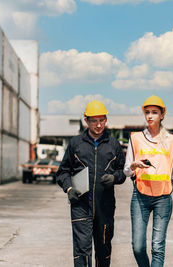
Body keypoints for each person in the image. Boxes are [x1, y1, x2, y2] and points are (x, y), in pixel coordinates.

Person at [56, 100, 126, 267]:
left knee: (103, 249)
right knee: (82, 250)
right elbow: (63, 171)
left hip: (105, 206)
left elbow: (123, 171)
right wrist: (69, 188)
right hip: (81, 204)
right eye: (94, 120)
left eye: (102, 120)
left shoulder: (113, 144)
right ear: (86, 120)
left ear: (106, 120)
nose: (98, 124)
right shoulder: (75, 144)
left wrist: (114, 178)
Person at [123, 95, 173, 267]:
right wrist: (132, 166)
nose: (150, 116)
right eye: (147, 112)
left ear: (162, 115)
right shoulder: (135, 138)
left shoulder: (172, 141)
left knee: (157, 248)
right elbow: (125, 171)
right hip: (140, 197)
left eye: (154, 112)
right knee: (138, 247)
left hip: (163, 198)